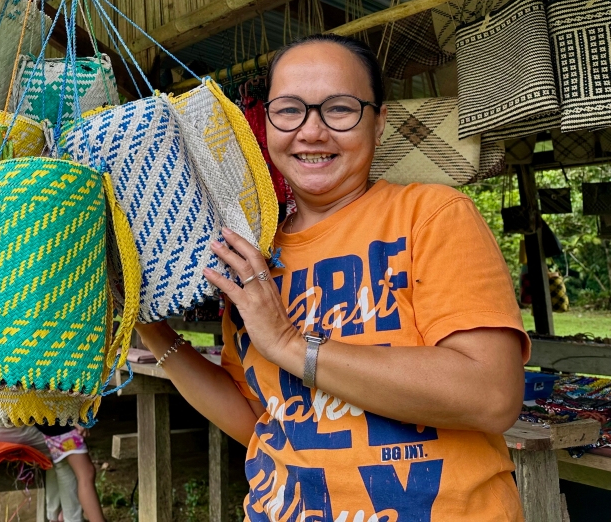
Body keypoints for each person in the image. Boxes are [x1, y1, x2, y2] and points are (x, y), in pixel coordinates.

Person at [136, 34, 529, 521]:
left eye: (339, 109)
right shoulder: (254, 252)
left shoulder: (430, 216)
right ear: (266, 125)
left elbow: (491, 395)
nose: (312, 131)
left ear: (379, 122)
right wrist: (148, 327)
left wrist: (289, 344)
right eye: (289, 110)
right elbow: (263, 421)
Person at [0, 390, 105, 522]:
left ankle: (56, 516)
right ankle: (69, 518)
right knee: (66, 449)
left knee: (63, 448)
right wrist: (69, 417)